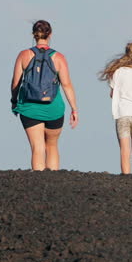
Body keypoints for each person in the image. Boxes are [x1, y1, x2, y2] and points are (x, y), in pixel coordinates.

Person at [10, 20, 79, 171]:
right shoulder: (59, 57)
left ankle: (38, 183)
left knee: (37, 148)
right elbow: (67, 85)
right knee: (52, 146)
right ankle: (53, 182)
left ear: (33, 35)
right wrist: (74, 109)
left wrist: (14, 102)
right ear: (50, 34)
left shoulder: (23, 55)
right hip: (54, 108)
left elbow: (15, 83)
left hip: (29, 108)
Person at [98, 41, 132, 175]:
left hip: (122, 113)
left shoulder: (117, 73)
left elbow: (112, 94)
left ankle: (126, 175)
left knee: (124, 148)